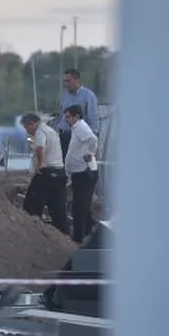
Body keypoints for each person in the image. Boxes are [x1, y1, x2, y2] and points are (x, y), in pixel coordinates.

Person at [20, 112, 69, 235]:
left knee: (31, 203)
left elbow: (41, 147)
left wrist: (40, 164)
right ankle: (64, 232)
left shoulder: (40, 132)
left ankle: (31, 230)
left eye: (26, 127)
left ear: (31, 123)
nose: (27, 131)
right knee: (57, 206)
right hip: (60, 172)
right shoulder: (51, 130)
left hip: (47, 171)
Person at [63, 104, 99, 243]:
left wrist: (90, 153)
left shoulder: (81, 127)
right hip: (80, 173)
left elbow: (93, 139)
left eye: (68, 117)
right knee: (83, 205)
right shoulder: (76, 128)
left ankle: (78, 238)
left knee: (79, 206)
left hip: (84, 172)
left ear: (76, 116)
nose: (66, 120)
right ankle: (88, 233)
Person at [56, 69, 100, 155]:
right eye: (64, 81)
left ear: (77, 80)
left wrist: (92, 139)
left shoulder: (88, 95)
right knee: (65, 164)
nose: (66, 84)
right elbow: (61, 115)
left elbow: (93, 118)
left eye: (68, 81)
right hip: (65, 136)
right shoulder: (64, 96)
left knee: (79, 165)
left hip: (80, 137)